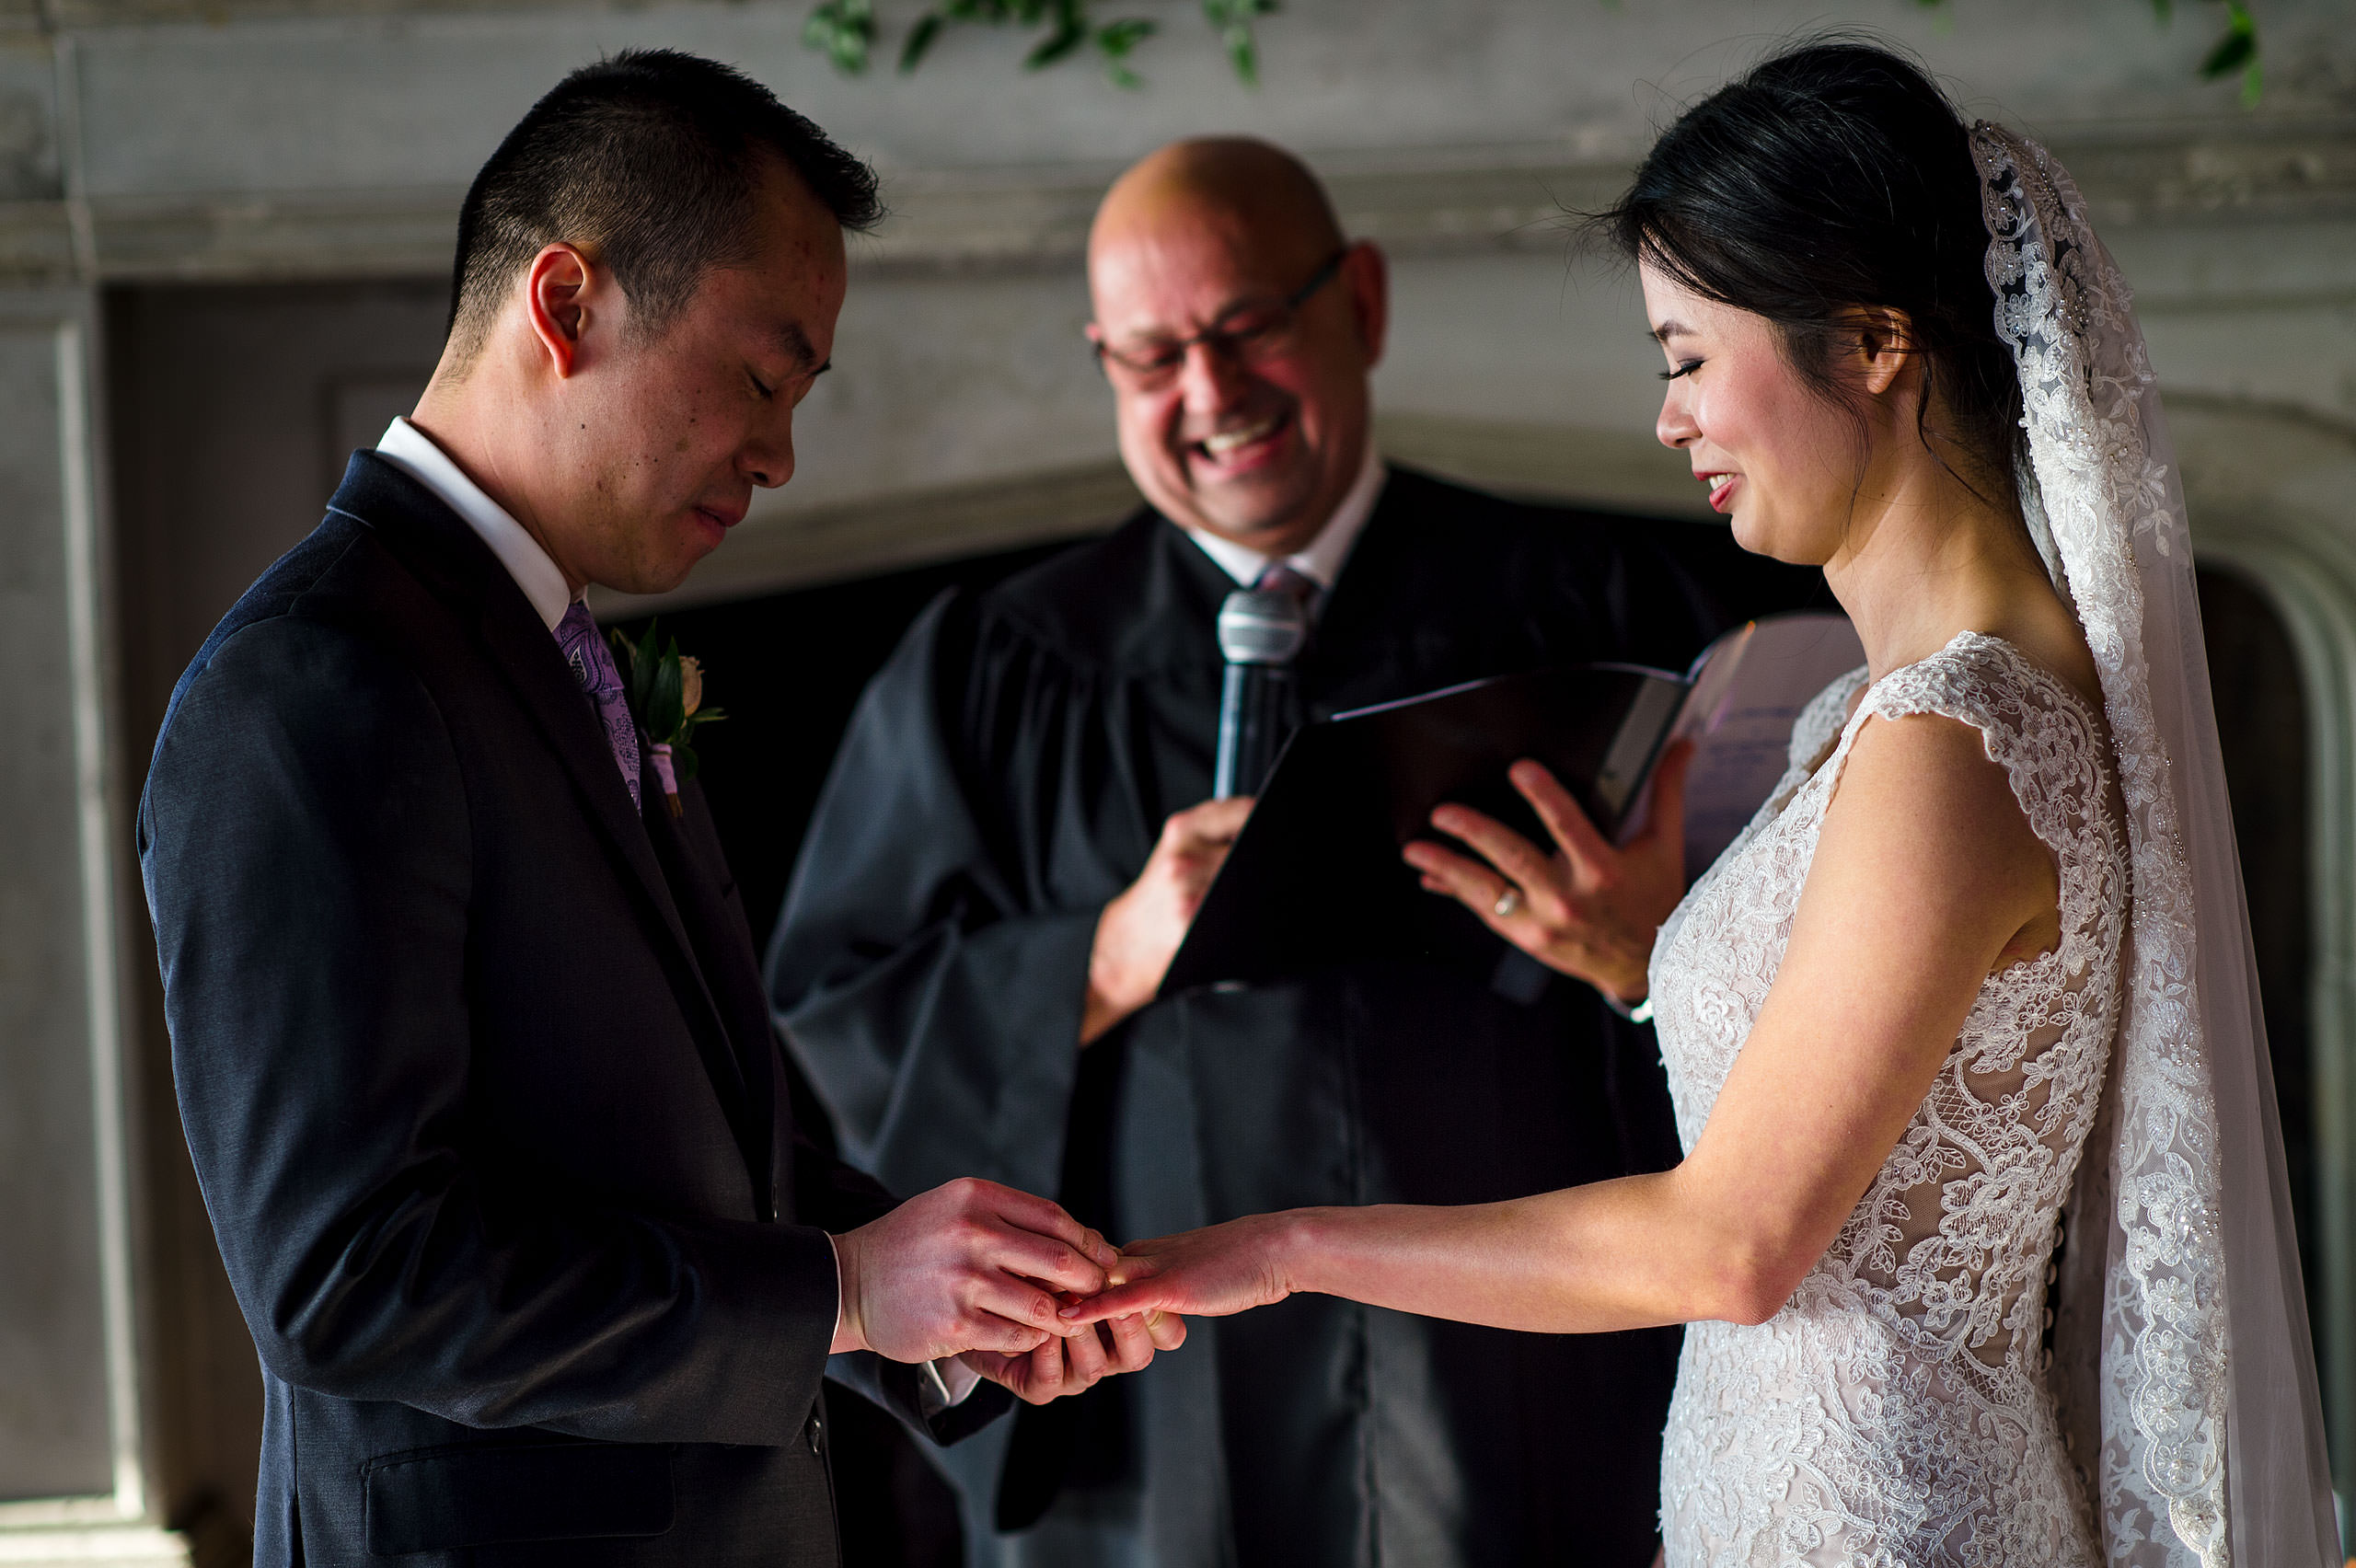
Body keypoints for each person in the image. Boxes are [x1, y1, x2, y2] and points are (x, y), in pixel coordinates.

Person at [1066, 41, 2340, 1568]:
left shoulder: (1953, 742)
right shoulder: (1866, 713)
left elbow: (1734, 1247)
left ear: (1871, 340)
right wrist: (1639, 958)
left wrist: (1278, 1248)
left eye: (1683, 356)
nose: (1669, 420)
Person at [138, 52, 1176, 1568]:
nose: (779, 454)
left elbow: (661, 1159)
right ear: (567, 303)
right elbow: (348, 1278)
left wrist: (942, 1307)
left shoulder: (557, 657)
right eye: (761, 378)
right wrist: (834, 1289)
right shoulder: (313, 684)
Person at [767, 137, 1816, 1567]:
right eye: (1149, 357)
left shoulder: (1601, 604)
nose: (1210, 392)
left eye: (1247, 325)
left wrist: (1647, 950)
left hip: (1529, 1413)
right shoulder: (991, 675)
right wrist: (1096, 957)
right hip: (1151, 1453)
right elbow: (822, 1046)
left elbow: (1824, 1014)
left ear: (1362, 305)